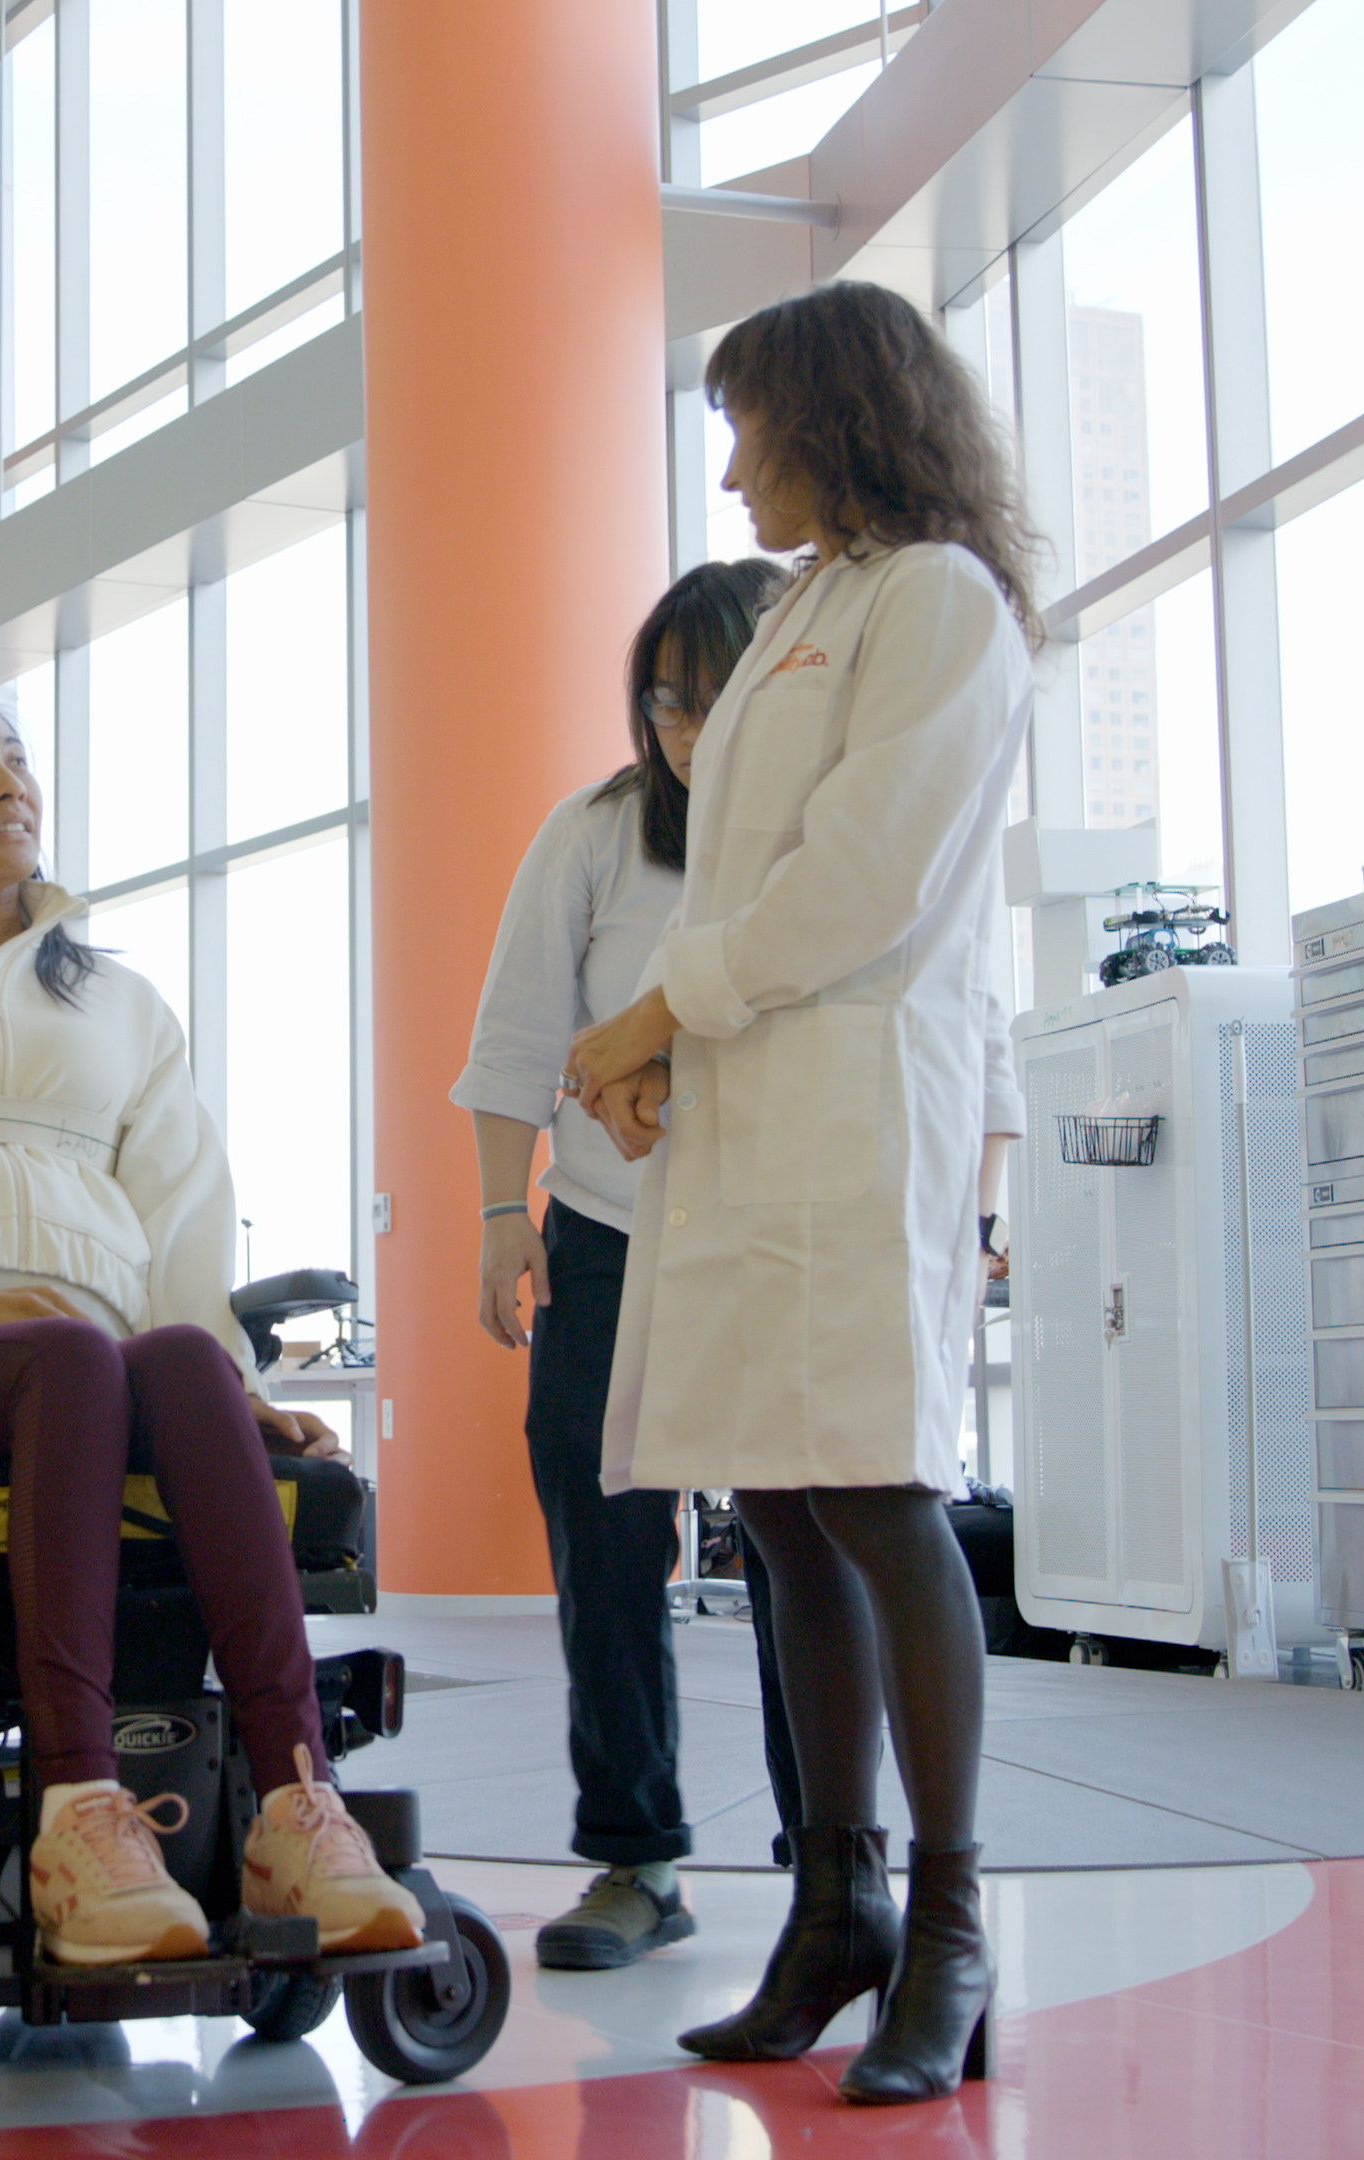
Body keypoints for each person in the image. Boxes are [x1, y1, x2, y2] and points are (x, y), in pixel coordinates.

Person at [0, 678, 427, 1969]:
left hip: (91, 1372)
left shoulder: (120, 1004)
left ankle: (296, 1804)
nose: (14, 783)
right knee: (73, 1352)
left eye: (20, 758)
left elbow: (178, 1215)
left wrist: (227, 1383)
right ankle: (76, 1811)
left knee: (164, 1357)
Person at [565, 280, 1038, 2107]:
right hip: (761, 1101)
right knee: (775, 1496)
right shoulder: (812, 612)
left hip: (856, 1104)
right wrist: (671, 1034)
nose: (734, 460)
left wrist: (662, 1007)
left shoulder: (938, 601)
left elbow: (863, 880)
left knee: (876, 1486)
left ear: (837, 415)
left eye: (751, 423)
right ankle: (831, 1903)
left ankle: (951, 1921)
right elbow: (732, 875)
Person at [453, 558, 799, 1971]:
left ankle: (835, 1860)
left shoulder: (825, 845)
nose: (690, 734)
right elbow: (520, 1031)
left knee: (805, 1552)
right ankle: (635, 1859)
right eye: (668, 704)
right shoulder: (599, 834)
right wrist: (498, 1216)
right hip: (604, 1234)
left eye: (718, 702)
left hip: (779, 1234)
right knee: (605, 1549)